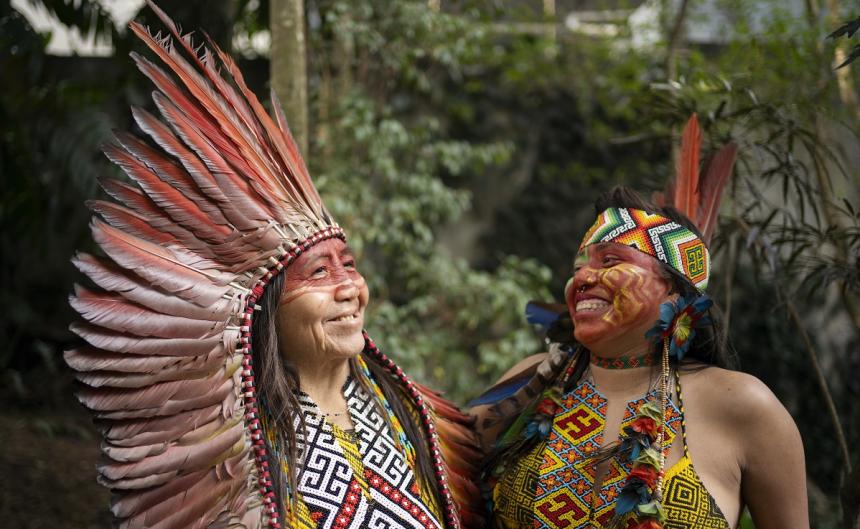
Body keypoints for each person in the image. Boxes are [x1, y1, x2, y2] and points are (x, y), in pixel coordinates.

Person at [65, 3, 481, 529]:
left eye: (348, 266)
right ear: (265, 307)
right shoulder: (238, 447)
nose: (349, 287)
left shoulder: (414, 416)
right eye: (319, 274)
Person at [472, 184, 808, 529]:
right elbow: (436, 465)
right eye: (577, 269)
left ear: (675, 293)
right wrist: (535, 382)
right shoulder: (534, 378)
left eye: (610, 261)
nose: (583, 279)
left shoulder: (744, 405)